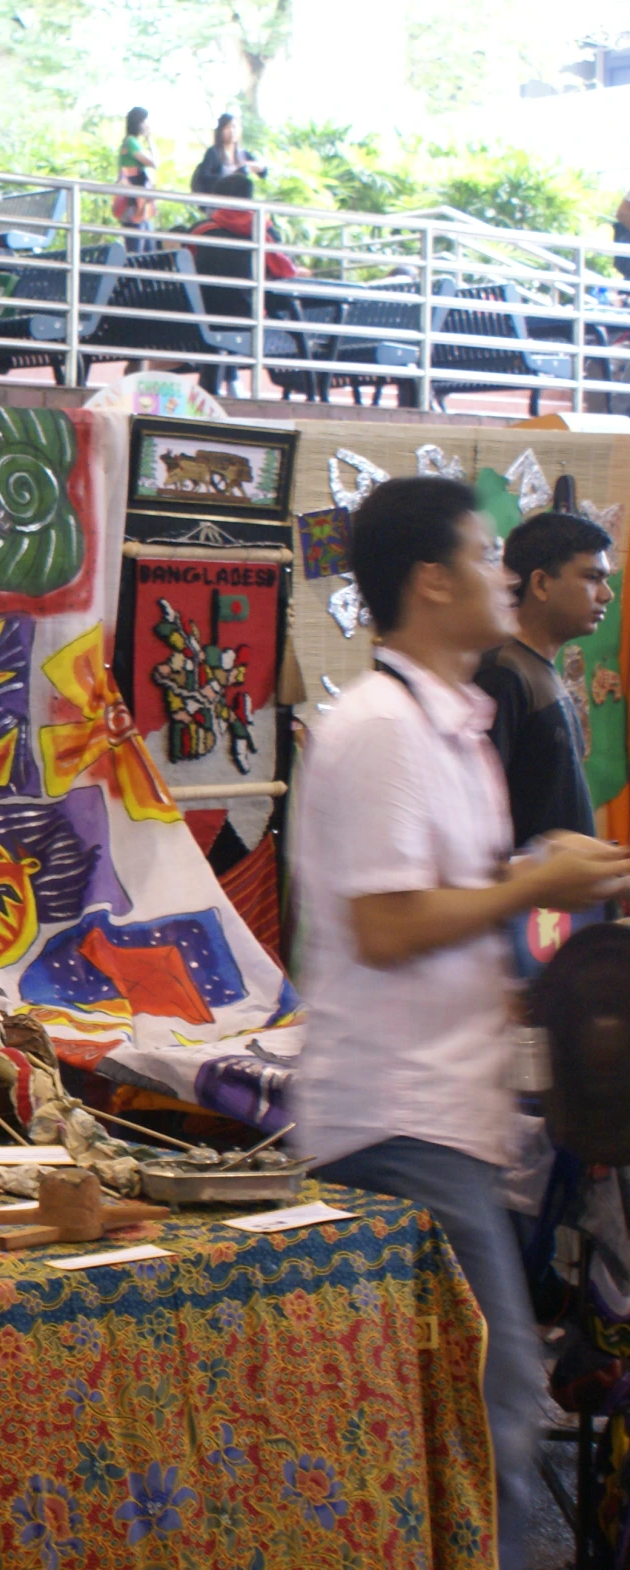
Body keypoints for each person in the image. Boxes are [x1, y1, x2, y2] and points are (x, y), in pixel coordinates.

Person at [294, 475, 630, 1570]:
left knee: (464, 1401)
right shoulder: (380, 728)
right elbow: (387, 927)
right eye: (487, 555)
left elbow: (447, 934)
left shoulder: (458, 727)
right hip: (393, 1120)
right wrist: (531, 885)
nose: (504, 574)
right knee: (494, 1397)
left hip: (447, 1113)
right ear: (430, 579)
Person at [476, 509, 616, 847]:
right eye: (592, 578)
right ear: (540, 583)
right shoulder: (502, 673)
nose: (606, 595)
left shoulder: (536, 667)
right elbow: (484, 825)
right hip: (532, 899)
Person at [187, 172, 297, 278]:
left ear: (217, 199)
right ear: (249, 199)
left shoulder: (200, 230)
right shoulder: (264, 230)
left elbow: (185, 264)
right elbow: (284, 267)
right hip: (255, 296)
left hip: (204, 296)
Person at [189, 111, 264, 193]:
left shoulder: (243, 154)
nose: (232, 131)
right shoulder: (213, 153)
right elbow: (204, 179)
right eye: (227, 127)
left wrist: (252, 166)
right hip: (219, 199)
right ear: (220, 131)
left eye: (234, 127)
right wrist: (232, 174)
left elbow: (263, 172)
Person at [112, 106, 156, 228]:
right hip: (132, 201)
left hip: (139, 200)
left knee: (147, 241)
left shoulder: (134, 143)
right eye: (144, 121)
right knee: (136, 240)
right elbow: (153, 163)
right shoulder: (131, 143)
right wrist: (149, 139)